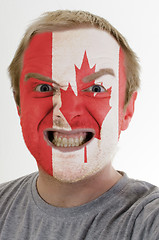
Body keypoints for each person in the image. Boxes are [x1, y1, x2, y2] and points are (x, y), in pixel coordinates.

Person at [0, 10, 159, 240]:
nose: (65, 112)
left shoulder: (148, 220)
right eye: (44, 88)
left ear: (127, 110)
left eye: (96, 89)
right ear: (19, 105)